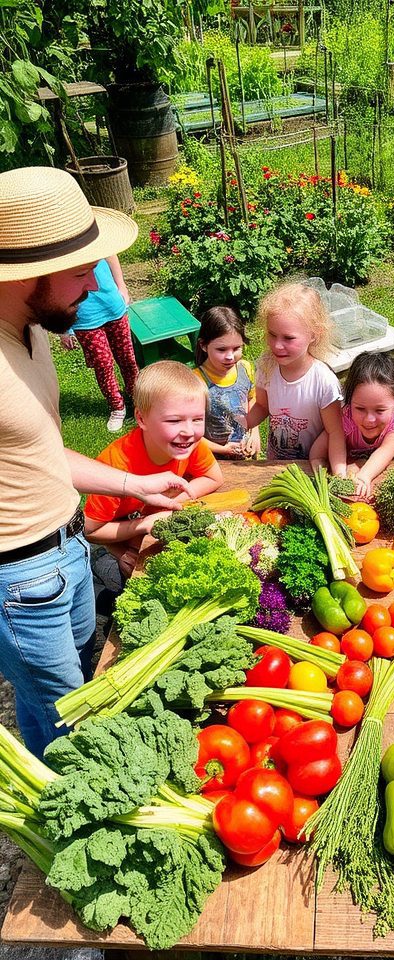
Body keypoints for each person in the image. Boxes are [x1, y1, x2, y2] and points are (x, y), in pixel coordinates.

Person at [0, 166, 194, 758]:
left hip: (69, 548)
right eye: (82, 271)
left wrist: (138, 482)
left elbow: (39, 451)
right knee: (75, 722)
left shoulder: (30, 328)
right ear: (28, 272)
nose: (95, 286)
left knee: (67, 693)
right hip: (19, 577)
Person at [84, 360, 224, 580]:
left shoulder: (189, 444)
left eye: (197, 419)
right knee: (116, 579)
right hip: (111, 542)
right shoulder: (115, 464)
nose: (188, 431)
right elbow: (91, 531)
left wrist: (172, 500)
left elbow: (214, 477)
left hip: (145, 531)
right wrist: (141, 525)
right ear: (141, 418)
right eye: (174, 420)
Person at [246, 282, 344, 471]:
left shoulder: (323, 380)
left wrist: (340, 474)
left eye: (288, 338)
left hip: (313, 467)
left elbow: (335, 432)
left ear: (314, 335)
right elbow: (262, 406)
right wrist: (239, 424)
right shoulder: (266, 365)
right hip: (275, 464)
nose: (277, 345)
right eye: (272, 335)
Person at [309, 351, 394, 499]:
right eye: (360, 409)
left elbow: (387, 449)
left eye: (380, 410)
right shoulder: (344, 413)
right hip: (342, 460)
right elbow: (316, 454)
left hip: (371, 463)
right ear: (349, 402)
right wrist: (339, 477)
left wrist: (364, 476)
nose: (369, 419)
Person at [59, 255, 139, 432]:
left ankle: (137, 398)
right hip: (84, 318)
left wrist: (122, 286)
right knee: (102, 364)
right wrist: (65, 328)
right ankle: (117, 407)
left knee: (128, 358)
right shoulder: (57, 248)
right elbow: (55, 287)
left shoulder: (93, 233)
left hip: (113, 307)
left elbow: (111, 254)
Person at [194, 305, 260, 459]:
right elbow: (189, 432)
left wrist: (255, 432)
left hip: (245, 451)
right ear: (203, 345)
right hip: (212, 458)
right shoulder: (196, 381)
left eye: (236, 348)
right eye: (221, 350)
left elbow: (252, 399)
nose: (230, 356)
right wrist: (223, 450)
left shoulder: (245, 368)